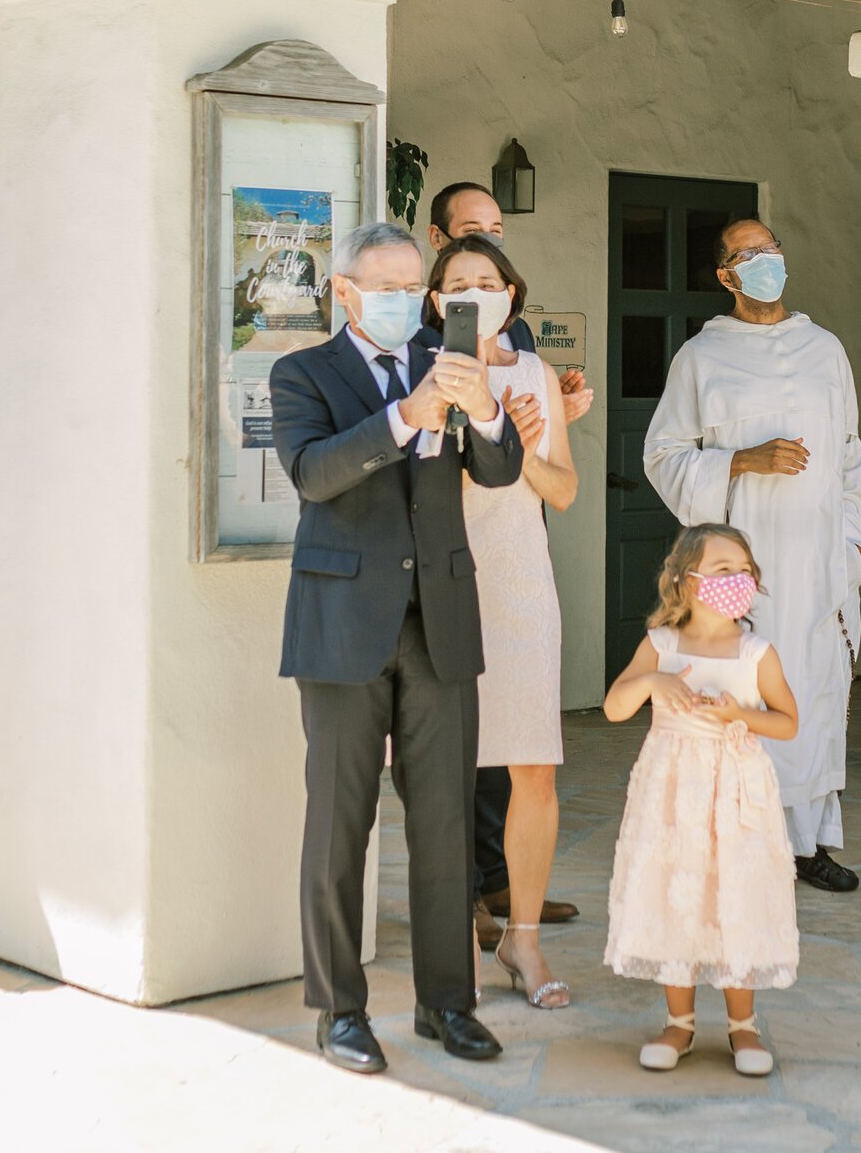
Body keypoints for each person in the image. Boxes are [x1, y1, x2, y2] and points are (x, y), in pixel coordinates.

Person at [270, 222, 523, 1076]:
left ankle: (447, 1003)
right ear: (344, 293)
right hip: (342, 624)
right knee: (340, 824)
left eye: (412, 287)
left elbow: (497, 470)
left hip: (439, 621)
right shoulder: (301, 373)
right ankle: (341, 1009)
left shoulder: (446, 363)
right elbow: (313, 473)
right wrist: (403, 416)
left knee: (448, 818)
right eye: (381, 285)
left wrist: (480, 405)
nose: (401, 300)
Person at [643, 218, 861, 892]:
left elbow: (851, 458)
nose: (766, 260)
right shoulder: (700, 359)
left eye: (772, 249)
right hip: (740, 569)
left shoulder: (825, 349)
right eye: (750, 254)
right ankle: (739, 845)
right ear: (725, 275)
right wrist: (742, 460)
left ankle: (811, 843)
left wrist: (853, 542)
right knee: (738, 694)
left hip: (820, 560)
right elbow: (663, 455)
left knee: (815, 696)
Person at [424, 180, 590, 942]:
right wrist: (483, 428)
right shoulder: (418, 373)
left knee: (530, 764)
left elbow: (563, 489)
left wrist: (518, 449)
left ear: (511, 295)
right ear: (435, 300)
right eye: (458, 284)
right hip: (444, 579)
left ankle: (520, 927)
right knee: (446, 764)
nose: (473, 293)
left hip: (522, 583)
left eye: (487, 283)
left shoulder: (537, 378)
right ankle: (459, 911)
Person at [601, 524, 801, 1076]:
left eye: (744, 570)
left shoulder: (756, 652)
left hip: (735, 794)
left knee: (733, 894)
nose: (737, 580)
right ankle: (679, 1022)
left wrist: (740, 713)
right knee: (678, 894)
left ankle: (743, 1026)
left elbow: (787, 721)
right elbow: (615, 707)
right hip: (673, 794)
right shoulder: (661, 646)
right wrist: (653, 685)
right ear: (685, 582)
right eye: (721, 570)